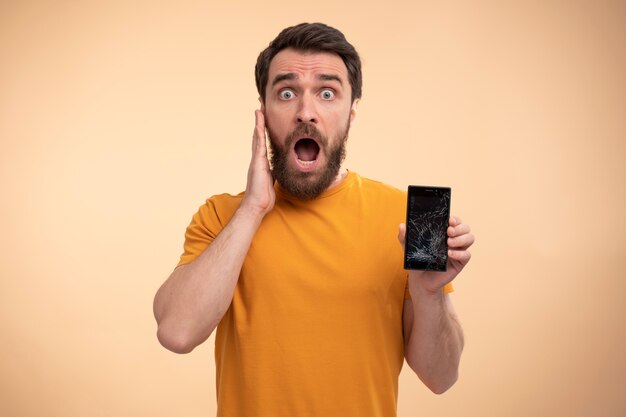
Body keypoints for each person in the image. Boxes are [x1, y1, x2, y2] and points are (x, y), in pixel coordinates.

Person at [153, 22, 474, 417]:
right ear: (263, 114)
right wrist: (253, 208)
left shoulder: (404, 220)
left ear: (351, 112)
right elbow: (176, 332)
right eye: (286, 93)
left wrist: (428, 293)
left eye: (327, 93)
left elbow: (441, 377)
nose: (306, 113)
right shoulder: (222, 216)